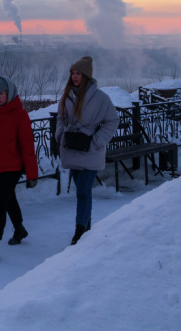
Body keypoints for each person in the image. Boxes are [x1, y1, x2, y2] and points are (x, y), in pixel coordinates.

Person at [55, 56, 119, 245]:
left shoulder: (100, 98)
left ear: (86, 76)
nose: (75, 77)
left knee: (83, 191)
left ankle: (79, 230)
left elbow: (112, 120)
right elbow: (60, 118)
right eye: (73, 73)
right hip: (72, 148)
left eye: (79, 73)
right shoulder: (67, 95)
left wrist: (97, 141)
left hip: (90, 150)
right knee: (80, 191)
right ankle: (86, 227)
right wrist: (60, 133)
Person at [0, 75, 39, 260]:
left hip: (11, 167)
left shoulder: (20, 115)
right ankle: (20, 230)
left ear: (9, 93)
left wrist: (32, 174)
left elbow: (27, 146)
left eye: (2, 93)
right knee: (8, 199)